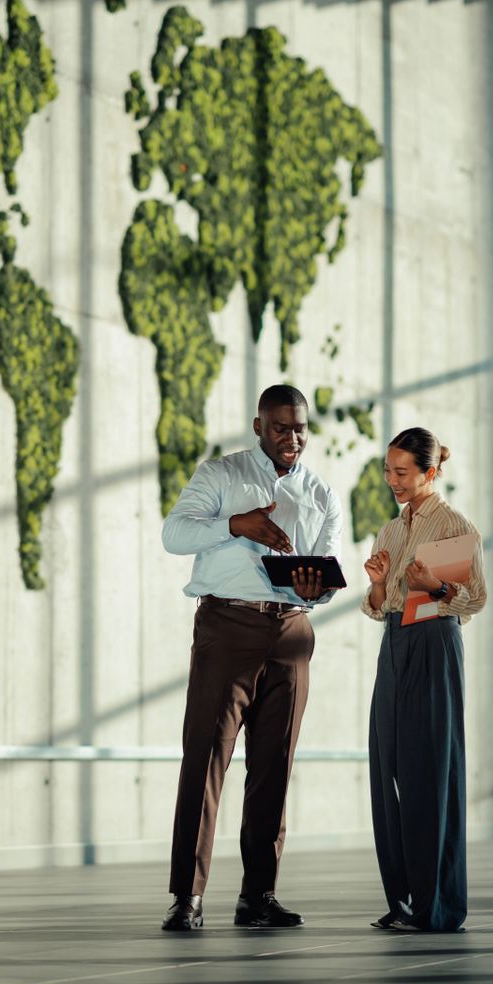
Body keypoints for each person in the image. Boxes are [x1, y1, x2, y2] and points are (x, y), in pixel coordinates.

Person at [159, 384, 342, 932]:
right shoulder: (222, 474)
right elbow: (174, 534)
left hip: (291, 631)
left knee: (274, 768)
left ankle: (258, 895)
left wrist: (316, 587)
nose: (293, 438)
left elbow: (327, 566)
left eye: (301, 428)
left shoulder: (322, 492)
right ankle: (186, 898)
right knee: (206, 758)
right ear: (259, 424)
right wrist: (237, 525)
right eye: (282, 427)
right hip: (228, 626)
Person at [362, 427, 487, 933]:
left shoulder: (454, 525)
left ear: (430, 472)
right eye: (388, 470)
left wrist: (433, 584)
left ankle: (437, 906)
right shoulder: (391, 531)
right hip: (394, 644)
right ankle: (403, 900)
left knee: (431, 773)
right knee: (385, 766)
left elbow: (473, 600)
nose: (392, 480)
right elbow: (379, 608)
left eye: (402, 472)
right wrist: (376, 586)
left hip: (434, 643)